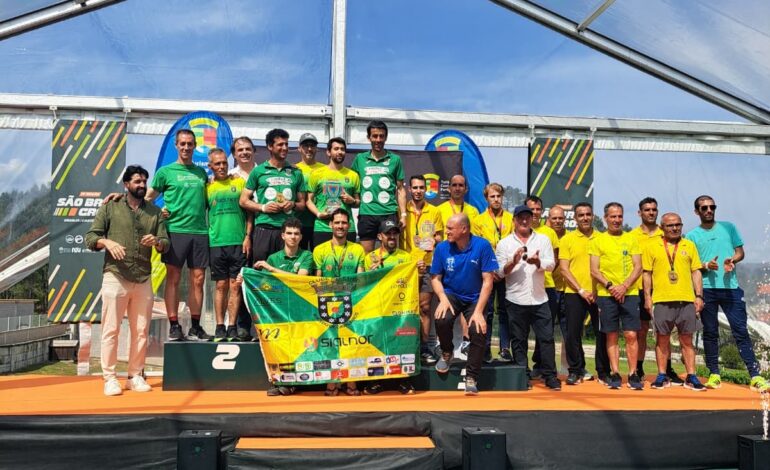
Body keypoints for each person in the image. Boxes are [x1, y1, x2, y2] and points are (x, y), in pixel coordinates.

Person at [86, 165, 169, 396]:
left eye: (144, 181)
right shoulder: (110, 207)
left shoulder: (154, 212)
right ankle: (110, 378)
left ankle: (135, 375)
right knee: (111, 329)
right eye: (136, 181)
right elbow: (91, 237)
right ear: (126, 184)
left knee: (141, 330)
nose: (141, 185)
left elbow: (165, 242)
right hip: (115, 275)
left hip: (143, 277)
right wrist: (107, 243)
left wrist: (158, 241)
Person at [686, 196, 769, 392]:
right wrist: (706, 265)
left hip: (731, 288)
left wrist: (733, 260)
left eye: (712, 207)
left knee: (741, 331)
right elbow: (691, 265)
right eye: (704, 207)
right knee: (710, 332)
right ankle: (714, 374)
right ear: (696, 211)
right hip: (706, 289)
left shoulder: (729, 227)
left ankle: (755, 376)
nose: (709, 210)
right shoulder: (691, 236)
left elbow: (740, 252)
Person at [239, 128, 305, 339]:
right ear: (269, 147)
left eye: (286, 144)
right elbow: (244, 200)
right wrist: (263, 208)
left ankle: (285, 325)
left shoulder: (295, 172)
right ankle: (251, 327)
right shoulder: (258, 172)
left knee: (285, 278)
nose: (284, 148)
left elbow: (303, 203)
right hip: (264, 230)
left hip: (287, 233)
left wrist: (292, 203)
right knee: (259, 277)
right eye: (280, 145)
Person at [146, 129, 211, 341]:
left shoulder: (202, 174)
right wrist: (158, 212)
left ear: (194, 146)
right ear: (176, 145)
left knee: (198, 280)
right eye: (182, 144)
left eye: (190, 144)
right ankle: (174, 325)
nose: (186, 147)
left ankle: (195, 326)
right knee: (173, 278)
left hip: (200, 232)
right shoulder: (165, 172)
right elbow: (147, 198)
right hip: (174, 231)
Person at [431, 214, 499, 396]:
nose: (446, 231)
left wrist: (478, 312)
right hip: (451, 294)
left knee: (478, 329)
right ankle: (446, 353)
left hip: (475, 296)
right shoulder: (442, 248)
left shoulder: (482, 246)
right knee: (441, 318)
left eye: (450, 228)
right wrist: (442, 298)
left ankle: (472, 376)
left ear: (464, 229)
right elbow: (435, 278)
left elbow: (488, 281)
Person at [496, 205, 561, 391]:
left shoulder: (543, 240)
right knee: (518, 339)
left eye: (528, 217)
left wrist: (537, 262)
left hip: (540, 298)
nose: (524, 221)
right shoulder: (505, 243)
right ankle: (522, 373)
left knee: (546, 339)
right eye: (520, 218)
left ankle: (550, 376)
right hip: (515, 299)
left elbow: (551, 264)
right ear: (514, 220)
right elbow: (499, 272)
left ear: (533, 219)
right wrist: (513, 261)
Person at [643, 213, 706, 391]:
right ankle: (662, 375)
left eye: (678, 224)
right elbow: (646, 273)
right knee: (662, 339)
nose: (675, 228)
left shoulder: (689, 245)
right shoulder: (652, 246)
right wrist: (648, 297)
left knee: (687, 339)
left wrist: (699, 296)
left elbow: (696, 271)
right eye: (670, 225)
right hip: (662, 299)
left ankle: (691, 376)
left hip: (686, 299)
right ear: (662, 227)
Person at [253, 217, 314, 396]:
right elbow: (263, 285)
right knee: (279, 347)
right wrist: (245, 279)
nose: (293, 237)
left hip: (299, 311)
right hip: (278, 311)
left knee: (297, 348)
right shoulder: (273, 258)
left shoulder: (307, 256)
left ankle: (294, 383)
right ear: (282, 236)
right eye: (289, 233)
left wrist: (272, 270)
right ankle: (279, 381)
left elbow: (299, 280)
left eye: (296, 234)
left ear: (301, 237)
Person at [588, 203, 643, 390]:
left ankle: (634, 374)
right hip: (606, 293)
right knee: (611, 334)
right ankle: (615, 373)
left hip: (630, 293)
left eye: (619, 216)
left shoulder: (632, 239)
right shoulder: (598, 241)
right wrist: (611, 286)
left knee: (631, 334)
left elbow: (638, 267)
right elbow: (594, 270)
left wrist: (624, 286)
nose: (617, 220)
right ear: (605, 218)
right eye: (613, 216)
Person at [312, 209, 366, 396]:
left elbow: (359, 279)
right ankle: (331, 382)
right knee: (330, 344)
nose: (340, 226)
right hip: (328, 304)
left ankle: (351, 382)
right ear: (330, 225)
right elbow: (318, 279)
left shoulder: (357, 249)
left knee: (351, 343)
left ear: (349, 226)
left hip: (350, 303)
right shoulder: (320, 250)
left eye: (344, 223)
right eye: (337, 223)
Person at [629, 197, 681, 384]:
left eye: (654, 210)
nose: (651, 212)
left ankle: (667, 369)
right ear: (639, 213)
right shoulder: (632, 235)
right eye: (647, 210)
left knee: (664, 332)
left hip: (665, 289)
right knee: (641, 331)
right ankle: (640, 368)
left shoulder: (666, 232)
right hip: (640, 289)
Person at [362, 219, 416, 395]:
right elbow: (363, 283)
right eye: (388, 233)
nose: (392, 237)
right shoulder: (369, 257)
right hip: (377, 308)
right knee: (377, 344)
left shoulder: (406, 257)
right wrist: (372, 272)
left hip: (399, 309)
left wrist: (419, 269)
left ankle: (404, 381)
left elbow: (412, 280)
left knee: (401, 343)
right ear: (380, 236)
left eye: (395, 233)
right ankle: (377, 381)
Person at [559, 202, 610, 386]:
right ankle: (575, 370)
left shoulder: (603, 238)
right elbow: (564, 269)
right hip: (574, 293)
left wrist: (597, 290)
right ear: (575, 218)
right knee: (572, 334)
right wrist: (581, 290)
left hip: (601, 294)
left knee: (602, 333)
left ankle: (603, 372)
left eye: (588, 214)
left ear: (593, 216)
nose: (585, 218)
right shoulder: (567, 239)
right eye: (581, 215)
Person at [206, 148, 252, 342]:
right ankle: (219, 326)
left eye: (224, 163)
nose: (222, 167)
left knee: (235, 286)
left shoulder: (240, 182)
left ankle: (232, 326)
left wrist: (248, 236)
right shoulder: (206, 186)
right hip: (217, 242)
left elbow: (250, 211)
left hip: (238, 242)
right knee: (221, 285)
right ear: (210, 166)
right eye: (217, 164)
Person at [401, 175, 443, 364]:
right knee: (404, 310)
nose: (418, 191)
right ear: (410, 190)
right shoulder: (401, 210)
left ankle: (425, 348)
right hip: (405, 267)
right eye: (415, 187)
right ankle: (407, 346)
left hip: (427, 265)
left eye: (421, 188)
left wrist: (433, 241)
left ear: (426, 189)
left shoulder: (434, 211)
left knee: (425, 308)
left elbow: (440, 238)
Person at [350, 120, 407, 253]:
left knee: (390, 254)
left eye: (381, 136)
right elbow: (353, 184)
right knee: (366, 255)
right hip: (367, 214)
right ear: (368, 137)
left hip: (388, 213)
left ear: (386, 137)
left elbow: (400, 189)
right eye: (375, 136)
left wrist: (403, 214)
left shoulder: (395, 159)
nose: (378, 139)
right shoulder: (360, 159)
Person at [471, 183, 513, 363]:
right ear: (486, 199)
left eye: (498, 196)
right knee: (486, 311)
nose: (496, 199)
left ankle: (505, 348)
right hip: (487, 272)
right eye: (492, 196)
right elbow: (478, 247)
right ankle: (485, 348)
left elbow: (514, 243)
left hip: (507, 271)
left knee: (505, 311)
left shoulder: (511, 218)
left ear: (502, 197)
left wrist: (503, 269)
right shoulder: (479, 220)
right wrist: (491, 270)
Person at [525, 196, 561, 378]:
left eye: (538, 209)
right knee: (522, 329)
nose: (535, 212)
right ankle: (521, 366)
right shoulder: (519, 230)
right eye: (532, 209)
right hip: (523, 286)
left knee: (545, 330)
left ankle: (543, 366)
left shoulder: (549, 233)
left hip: (547, 286)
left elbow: (554, 261)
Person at [306, 137, 360, 247]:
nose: (340, 152)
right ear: (328, 152)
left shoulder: (353, 175)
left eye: (342, 149)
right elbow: (308, 200)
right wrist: (319, 214)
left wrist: (352, 200)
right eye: (336, 149)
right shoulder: (316, 173)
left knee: (347, 262)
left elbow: (358, 202)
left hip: (346, 228)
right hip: (322, 227)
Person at [295, 133, 326, 250]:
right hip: (298, 221)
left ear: (316, 148)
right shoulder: (293, 169)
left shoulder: (325, 169)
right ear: (299, 148)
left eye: (312, 146)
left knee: (318, 256)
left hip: (319, 222)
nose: (309, 149)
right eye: (305, 146)